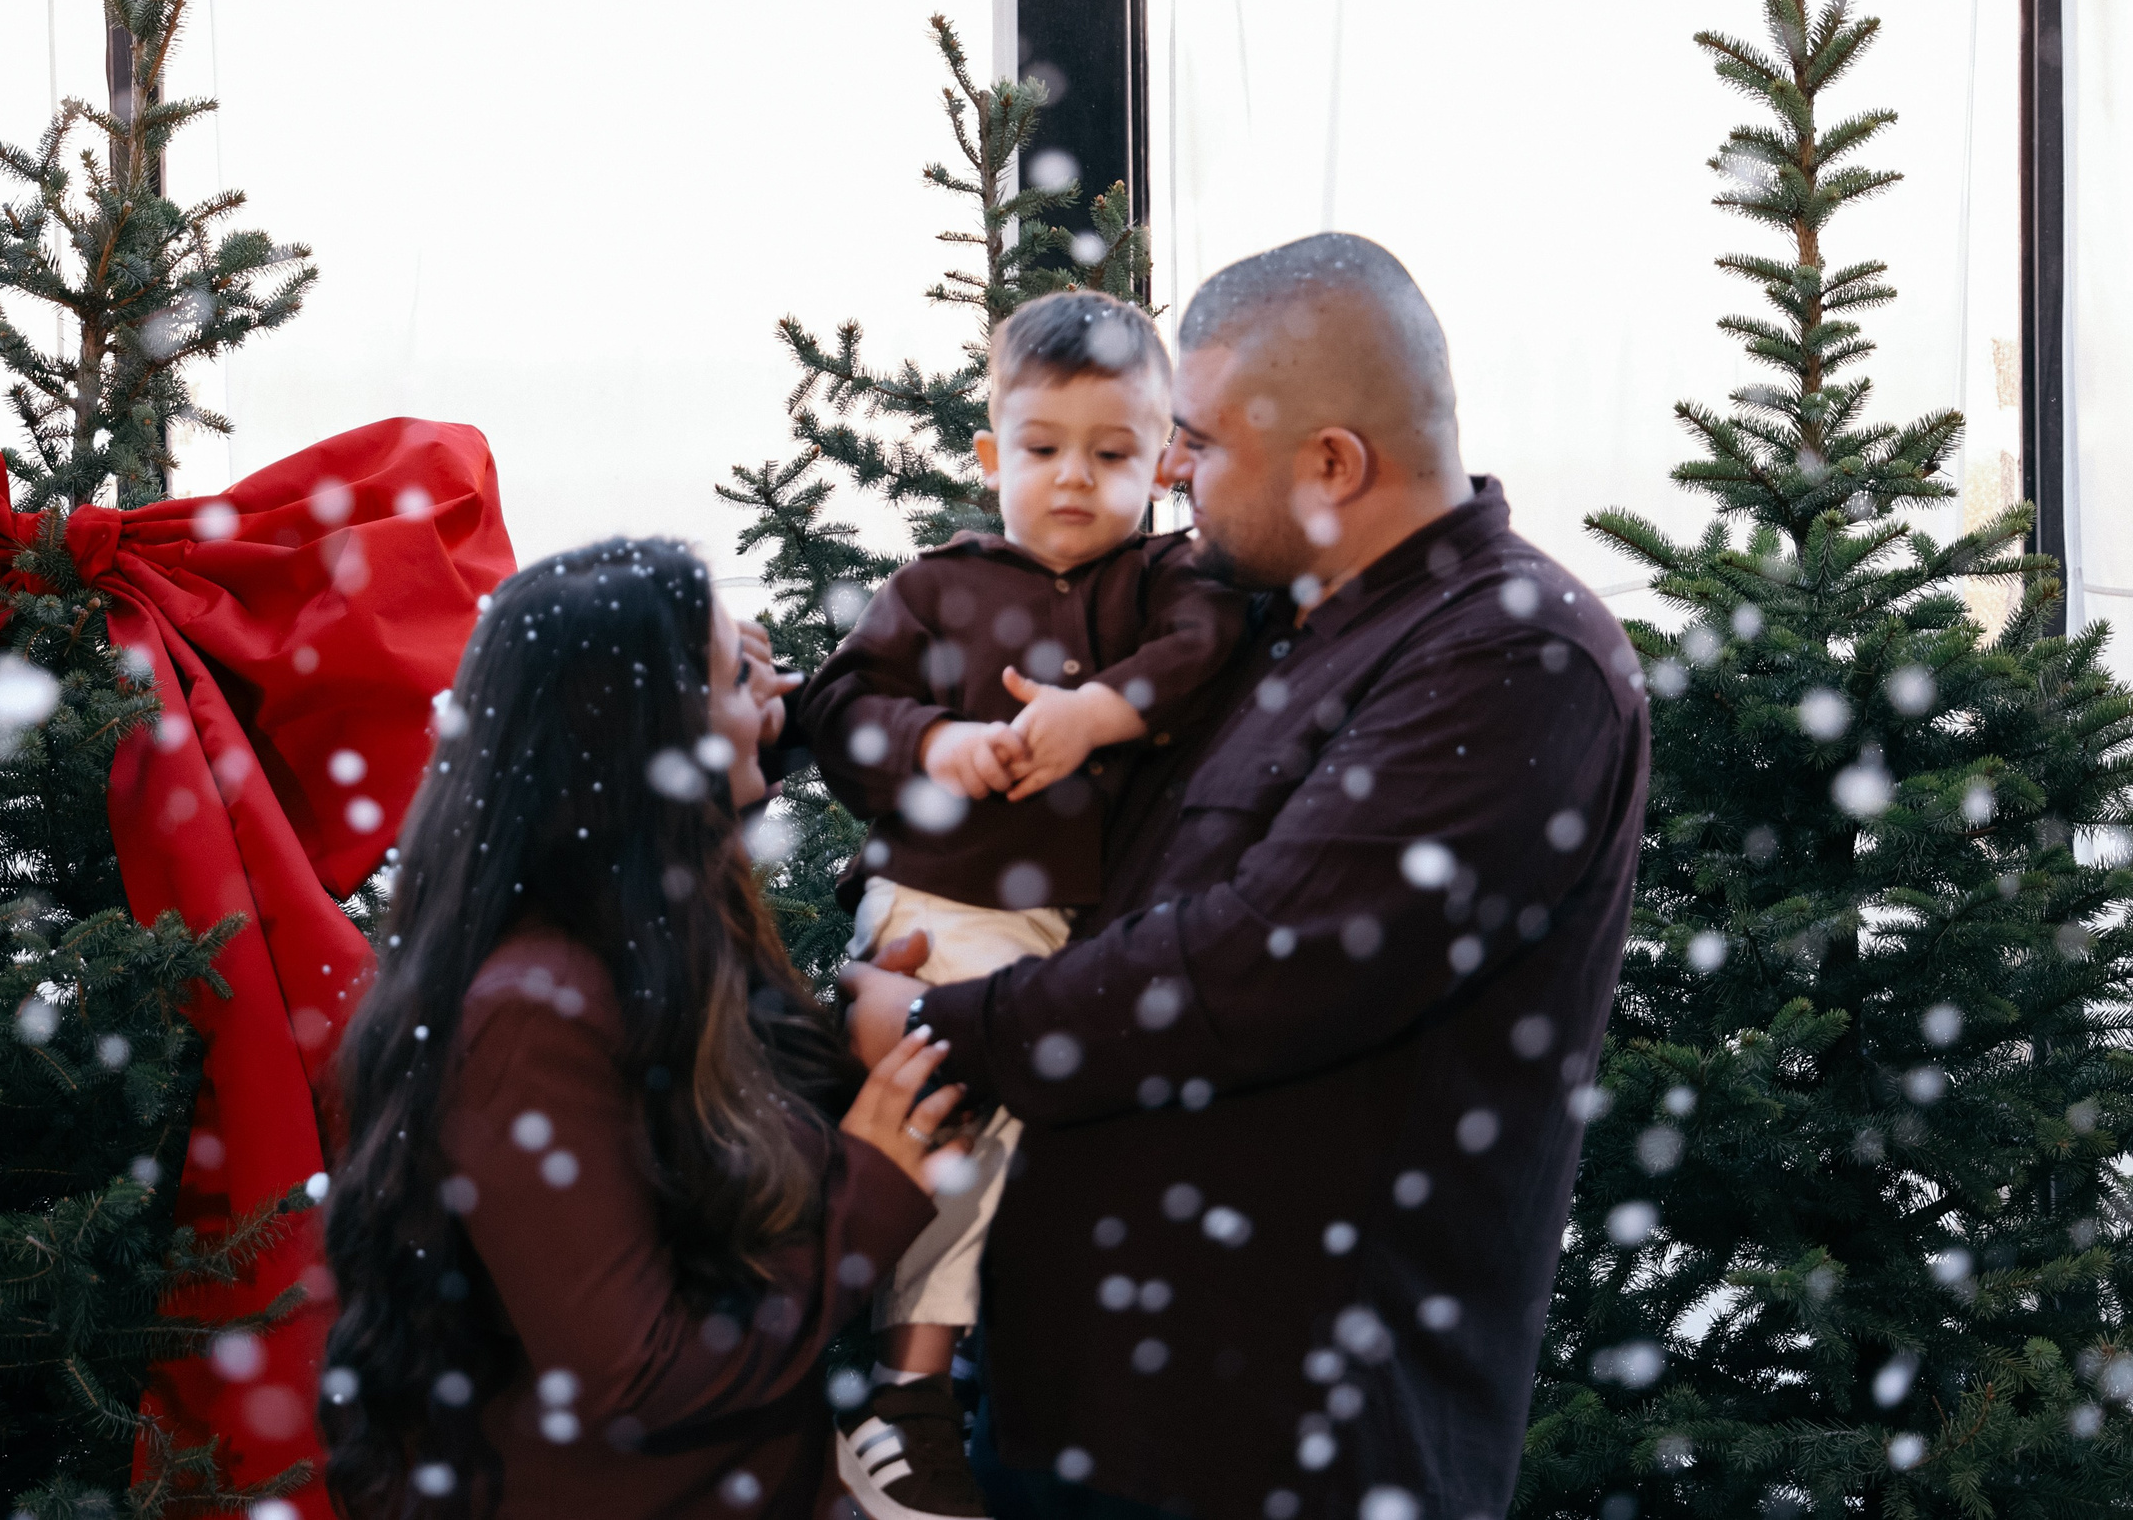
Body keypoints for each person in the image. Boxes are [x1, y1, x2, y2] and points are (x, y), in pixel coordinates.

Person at [839, 235, 1651, 1520]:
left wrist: (944, 1031)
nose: (1167, 473)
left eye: (1200, 444)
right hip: (1098, 1422)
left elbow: (1254, 966)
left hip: (1282, 1449)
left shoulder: (1509, 658)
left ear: (1333, 462)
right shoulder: (1266, 629)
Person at [322, 537, 969, 1519]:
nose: (772, 688)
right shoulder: (526, 1016)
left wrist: (856, 1045)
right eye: (737, 671)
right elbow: (637, 1381)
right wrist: (873, 1180)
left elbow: (710, 1163)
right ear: (650, 740)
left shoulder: (666, 927)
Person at [798, 289, 1246, 1520]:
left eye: (1111, 455)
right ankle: (905, 1397)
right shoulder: (939, 588)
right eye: (1042, 451)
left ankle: (992, 1382)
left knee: (1046, 1168)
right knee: (954, 1142)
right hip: (943, 910)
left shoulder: (1172, 581)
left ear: (1164, 461)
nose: (1072, 481)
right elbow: (833, 707)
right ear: (990, 454)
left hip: (1089, 933)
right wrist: (934, 741)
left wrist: (1096, 712)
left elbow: (1207, 649)